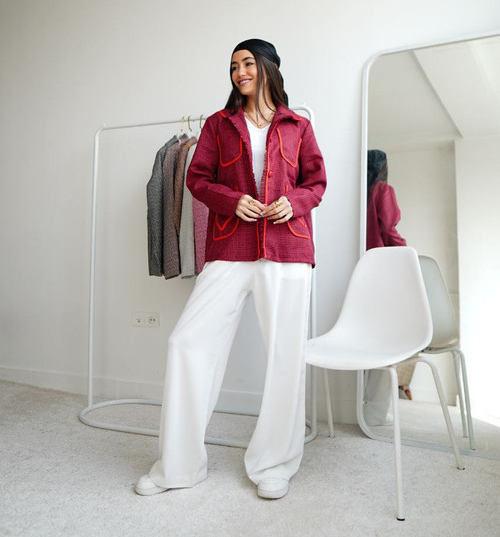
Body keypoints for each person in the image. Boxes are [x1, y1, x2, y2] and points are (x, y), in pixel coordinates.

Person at [135, 38, 327, 499]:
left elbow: (317, 182)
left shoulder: (297, 125)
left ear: (268, 67)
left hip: (287, 248)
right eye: (234, 66)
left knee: (284, 357)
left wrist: (294, 202)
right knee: (187, 342)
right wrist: (232, 200)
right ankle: (177, 466)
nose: (240, 72)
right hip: (231, 245)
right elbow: (197, 179)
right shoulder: (219, 125)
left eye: (247, 63)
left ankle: (274, 464)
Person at [364, 150, 413, 422]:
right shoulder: (383, 190)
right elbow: (389, 231)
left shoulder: (356, 193)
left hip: (358, 271)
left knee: (362, 339)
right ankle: (376, 411)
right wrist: (408, 255)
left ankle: (358, 406)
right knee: (385, 341)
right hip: (383, 272)